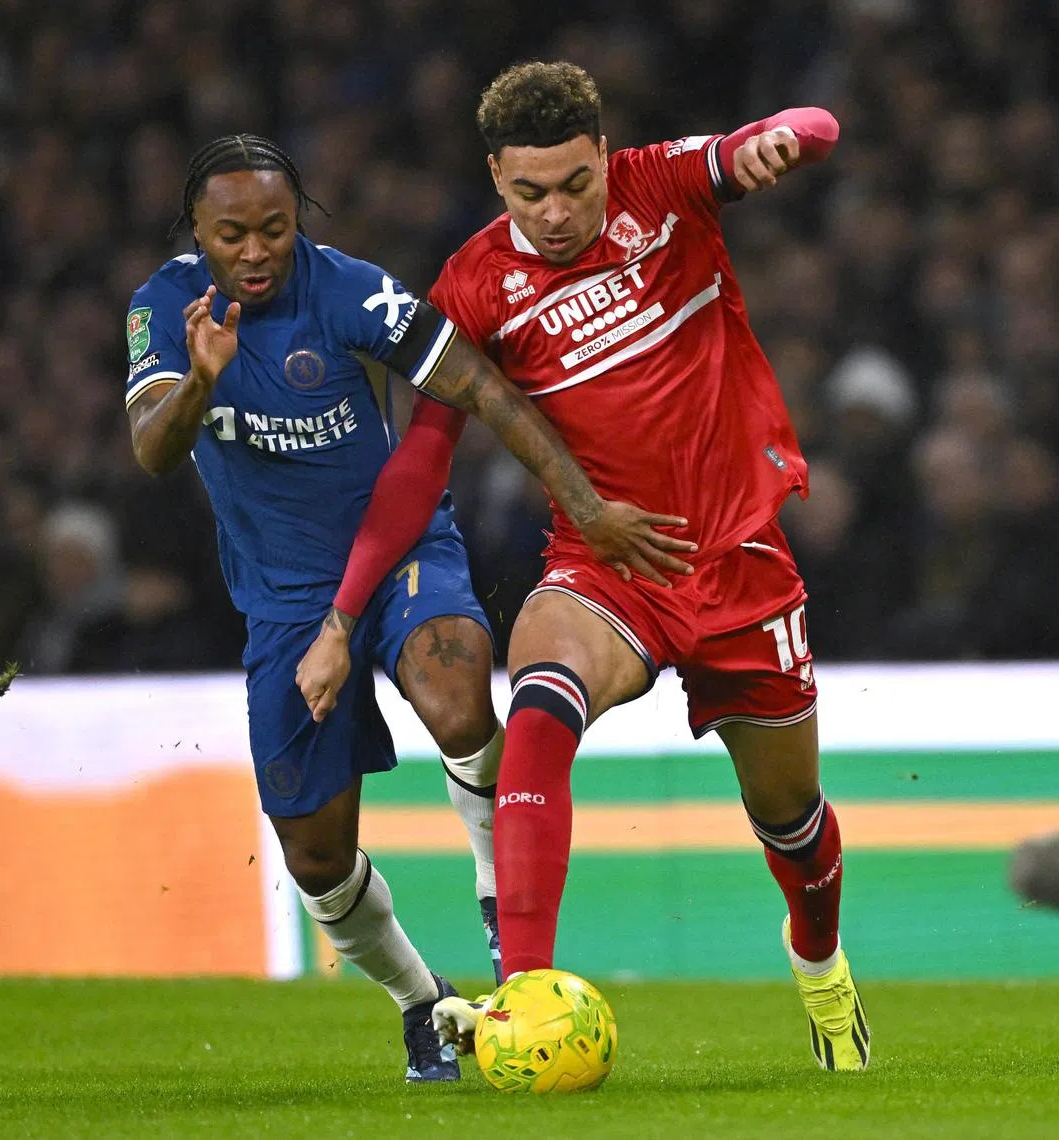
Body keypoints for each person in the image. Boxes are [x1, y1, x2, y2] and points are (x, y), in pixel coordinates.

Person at [307, 64, 871, 1071]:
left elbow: (814, 125)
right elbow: (423, 461)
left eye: (576, 184)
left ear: (605, 157)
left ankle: (820, 965)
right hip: (606, 567)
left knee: (790, 820)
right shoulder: (473, 284)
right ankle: (524, 995)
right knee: (538, 700)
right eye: (531, 193)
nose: (558, 213)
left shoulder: (663, 185)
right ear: (496, 176)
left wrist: (782, 140)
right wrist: (346, 614)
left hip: (737, 556)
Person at [124, 134, 692, 1082]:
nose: (257, 252)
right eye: (233, 236)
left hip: (401, 556)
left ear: (299, 220)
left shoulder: (352, 292)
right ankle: (421, 1000)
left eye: (275, 229)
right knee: (315, 859)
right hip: (284, 603)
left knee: (456, 683)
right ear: (196, 231)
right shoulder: (162, 307)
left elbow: (480, 387)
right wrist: (200, 380)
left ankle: (500, 909)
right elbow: (151, 449)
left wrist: (586, 507)